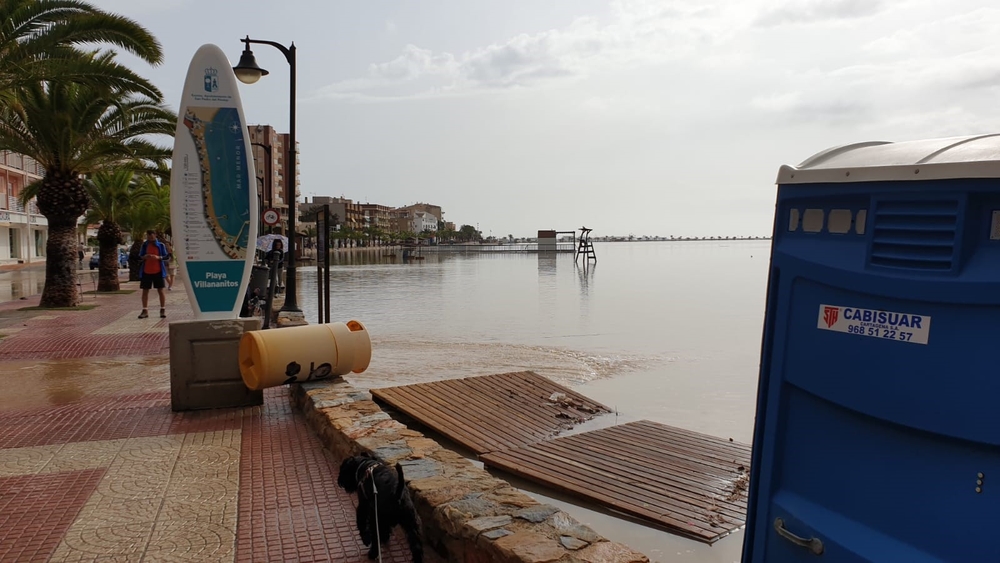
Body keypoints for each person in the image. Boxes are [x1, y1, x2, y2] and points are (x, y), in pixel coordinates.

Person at [138, 230, 168, 319]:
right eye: (148, 236)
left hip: (158, 271)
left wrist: (158, 257)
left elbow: (166, 256)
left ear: (155, 235)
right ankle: (145, 310)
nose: (150, 238)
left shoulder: (161, 245)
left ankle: (162, 309)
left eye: (152, 236)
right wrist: (144, 257)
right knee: (145, 291)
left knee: (160, 290)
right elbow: (140, 256)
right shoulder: (144, 245)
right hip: (146, 271)